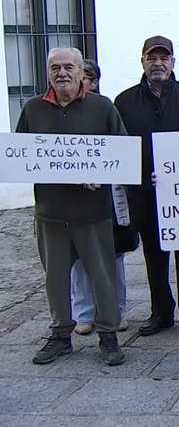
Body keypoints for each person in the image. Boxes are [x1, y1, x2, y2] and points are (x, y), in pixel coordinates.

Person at [19, 48, 127, 366]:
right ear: (47, 72)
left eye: (69, 67)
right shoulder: (33, 108)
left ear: (82, 73)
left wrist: (103, 175)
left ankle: (108, 336)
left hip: (92, 212)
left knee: (102, 276)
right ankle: (60, 336)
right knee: (55, 278)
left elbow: (120, 154)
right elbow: (22, 155)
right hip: (50, 213)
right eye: (55, 67)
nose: (62, 73)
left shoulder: (102, 107)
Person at [114, 36, 179, 337]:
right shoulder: (125, 101)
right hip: (144, 192)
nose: (158, 63)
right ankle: (161, 312)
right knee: (154, 256)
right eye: (151, 58)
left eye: (163, 57)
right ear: (142, 61)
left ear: (173, 62)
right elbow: (120, 147)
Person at [71, 60, 138, 336]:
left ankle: (115, 310)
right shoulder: (57, 111)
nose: (76, 81)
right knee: (78, 258)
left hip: (106, 194)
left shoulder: (105, 108)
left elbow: (120, 148)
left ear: (94, 82)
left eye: (82, 77)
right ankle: (83, 314)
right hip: (72, 198)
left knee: (113, 257)